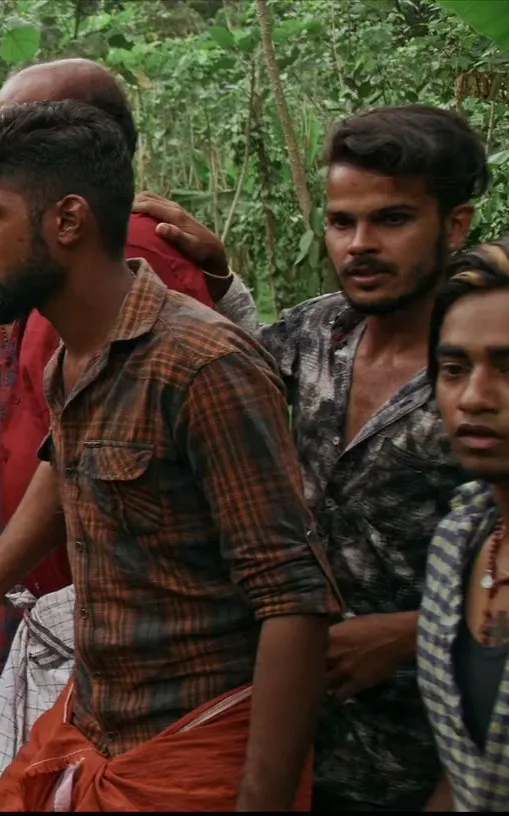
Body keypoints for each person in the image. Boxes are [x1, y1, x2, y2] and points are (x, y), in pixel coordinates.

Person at [0, 100, 339, 811]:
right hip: (99, 731)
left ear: (67, 221)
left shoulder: (202, 366)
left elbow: (294, 600)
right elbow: (65, 475)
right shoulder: (72, 359)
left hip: (193, 753)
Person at [255, 105, 487, 811]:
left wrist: (418, 634)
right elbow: (215, 383)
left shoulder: (485, 374)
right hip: (294, 746)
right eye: (340, 222)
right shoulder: (313, 331)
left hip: (442, 763)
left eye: (391, 220)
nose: (359, 245)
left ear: (454, 225)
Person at [418, 242, 509, 812]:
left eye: (508, 369)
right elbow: (465, 775)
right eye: (454, 370)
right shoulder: (459, 539)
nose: (474, 398)